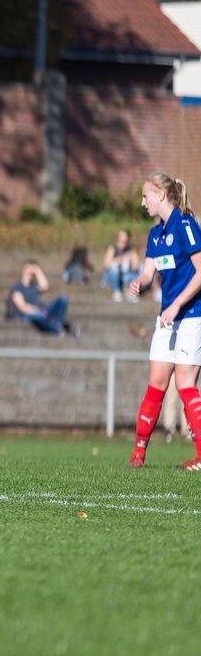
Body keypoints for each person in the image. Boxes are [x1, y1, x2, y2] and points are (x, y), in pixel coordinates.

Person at [125, 172, 201, 469]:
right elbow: (148, 272)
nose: (143, 202)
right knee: (155, 383)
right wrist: (139, 283)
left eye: (145, 196)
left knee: (184, 382)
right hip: (167, 318)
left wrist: (177, 305)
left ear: (160, 194)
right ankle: (138, 454)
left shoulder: (185, 225)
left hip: (192, 316)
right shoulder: (155, 234)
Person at [5, 262, 76, 337]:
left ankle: (58, 325)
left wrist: (37, 271)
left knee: (62, 299)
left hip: (41, 312)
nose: (31, 272)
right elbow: (22, 307)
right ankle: (57, 330)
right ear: (24, 270)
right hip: (26, 315)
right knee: (37, 316)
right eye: (29, 269)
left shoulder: (34, 286)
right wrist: (39, 311)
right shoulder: (17, 287)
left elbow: (45, 286)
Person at [101, 229, 141, 302]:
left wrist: (130, 261)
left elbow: (136, 265)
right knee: (114, 267)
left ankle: (131, 292)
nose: (122, 242)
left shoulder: (131, 250)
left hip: (126, 276)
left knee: (139, 268)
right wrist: (121, 260)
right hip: (113, 276)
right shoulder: (112, 248)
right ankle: (116, 291)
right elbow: (106, 264)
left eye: (124, 241)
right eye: (121, 239)